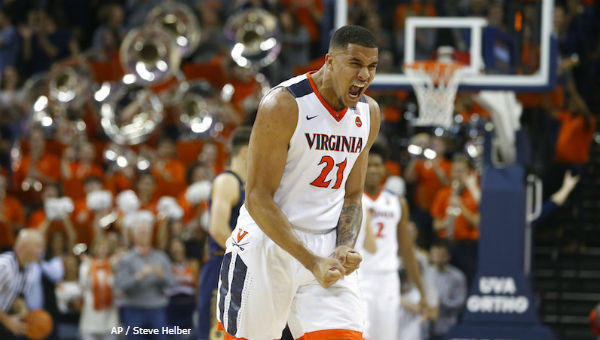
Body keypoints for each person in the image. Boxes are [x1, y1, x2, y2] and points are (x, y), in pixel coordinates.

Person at [217, 25, 381, 339]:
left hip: (326, 248)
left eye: (372, 67)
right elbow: (257, 197)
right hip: (268, 245)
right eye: (356, 64)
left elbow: (353, 195)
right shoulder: (284, 104)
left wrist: (344, 246)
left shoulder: (368, 114)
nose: (364, 75)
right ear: (330, 62)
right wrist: (309, 261)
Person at [354, 144, 427, 340]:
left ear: (385, 169)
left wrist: (421, 290)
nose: (373, 170)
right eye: (368, 165)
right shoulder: (352, 198)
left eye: (377, 165)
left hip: (388, 278)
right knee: (360, 333)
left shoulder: (397, 202)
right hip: (360, 275)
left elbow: (406, 248)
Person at [197, 126, 251, 340]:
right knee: (216, 334)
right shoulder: (227, 181)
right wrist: (251, 259)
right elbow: (218, 230)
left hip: (238, 267)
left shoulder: (248, 185)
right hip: (222, 266)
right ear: (246, 151)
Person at [114, 222, 176, 340]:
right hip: (134, 309)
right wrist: (138, 277)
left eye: (146, 232)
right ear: (134, 236)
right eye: (141, 233)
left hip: (157, 308)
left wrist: (162, 275)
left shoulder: (161, 257)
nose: (144, 235)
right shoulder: (126, 259)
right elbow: (120, 284)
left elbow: (173, 282)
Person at [431, 155, 480, 285]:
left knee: (469, 279)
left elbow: (479, 223)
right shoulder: (443, 194)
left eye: (461, 171)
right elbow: (435, 225)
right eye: (455, 171)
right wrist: (447, 222)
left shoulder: (474, 193)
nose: (458, 175)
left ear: (468, 172)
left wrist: (461, 207)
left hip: (467, 245)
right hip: (447, 244)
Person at [0, 229, 45, 338]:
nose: (41, 251)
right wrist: (7, 321)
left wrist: (25, 313)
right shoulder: (4, 265)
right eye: (38, 246)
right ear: (24, 246)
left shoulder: (29, 269)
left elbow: (16, 297)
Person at [429, 240, 467, 340]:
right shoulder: (426, 273)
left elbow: (460, 302)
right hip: (426, 326)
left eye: (442, 255)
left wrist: (441, 301)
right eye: (436, 254)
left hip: (447, 327)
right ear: (431, 256)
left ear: (448, 256)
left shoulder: (457, 276)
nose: (439, 258)